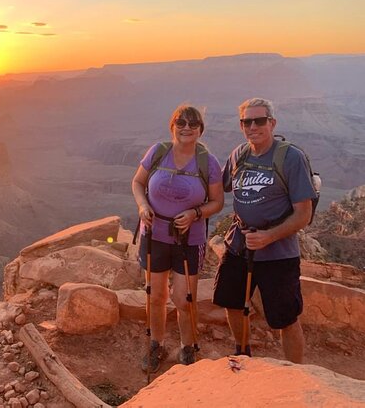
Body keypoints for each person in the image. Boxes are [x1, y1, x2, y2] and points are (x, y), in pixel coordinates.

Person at [213, 98, 316, 364]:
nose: (253, 126)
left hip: (279, 253)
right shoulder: (239, 154)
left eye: (260, 120)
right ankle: (243, 352)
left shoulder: (290, 157)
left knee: (285, 317)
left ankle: (295, 372)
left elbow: (303, 214)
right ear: (241, 125)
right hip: (239, 245)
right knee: (232, 301)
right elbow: (218, 185)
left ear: (272, 123)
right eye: (247, 121)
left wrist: (269, 236)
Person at [132, 104, 224, 371]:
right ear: (172, 126)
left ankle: (187, 346)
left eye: (193, 124)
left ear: (200, 130)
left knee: (185, 299)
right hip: (154, 234)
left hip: (189, 239)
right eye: (181, 123)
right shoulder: (158, 152)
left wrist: (196, 213)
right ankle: (156, 344)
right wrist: (142, 206)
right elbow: (137, 182)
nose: (186, 128)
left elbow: (217, 202)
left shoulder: (208, 162)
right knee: (155, 295)